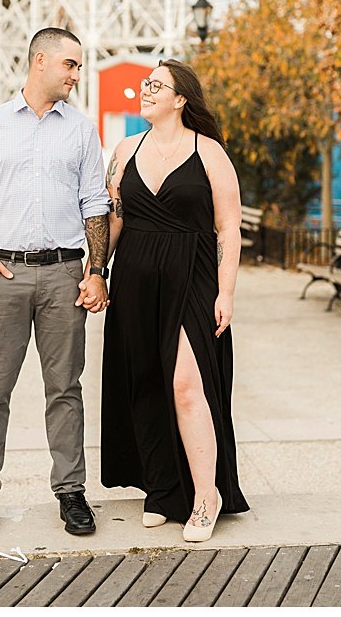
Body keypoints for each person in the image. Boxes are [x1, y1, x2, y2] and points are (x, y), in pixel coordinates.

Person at [0, 28, 111, 537]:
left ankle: (71, 492)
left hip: (65, 274)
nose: (76, 75)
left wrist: (96, 271)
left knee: (65, 389)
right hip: (6, 274)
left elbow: (96, 205)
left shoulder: (81, 131)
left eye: (78, 66)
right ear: (40, 61)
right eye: (70, 64)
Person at [100, 60, 249, 542]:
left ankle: (207, 496)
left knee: (187, 383)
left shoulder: (209, 153)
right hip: (136, 278)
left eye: (156, 85)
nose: (145, 90)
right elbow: (115, 219)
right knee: (145, 381)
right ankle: (163, 489)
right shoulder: (125, 150)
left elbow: (228, 226)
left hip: (193, 275)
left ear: (180, 99)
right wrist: (95, 270)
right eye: (146, 84)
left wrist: (226, 291)